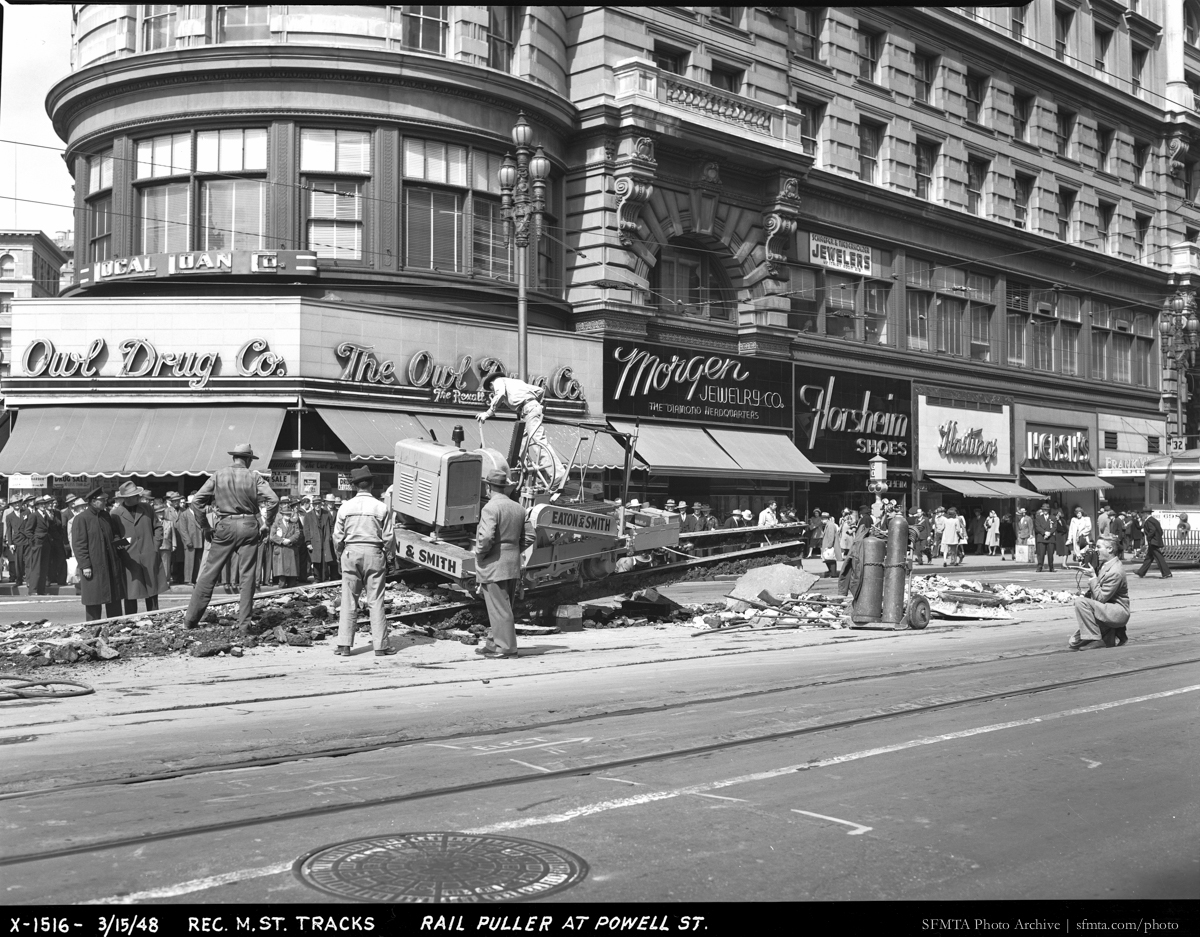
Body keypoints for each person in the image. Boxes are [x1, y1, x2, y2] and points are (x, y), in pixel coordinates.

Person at [181, 443, 280, 630]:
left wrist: (205, 526)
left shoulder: (219, 475)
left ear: (234, 457)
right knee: (248, 575)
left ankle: (190, 621)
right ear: (249, 459)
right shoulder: (254, 476)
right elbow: (273, 500)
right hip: (249, 525)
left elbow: (197, 501)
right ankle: (244, 624)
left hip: (224, 525)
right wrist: (267, 523)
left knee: (209, 574)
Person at [333, 466, 396, 657]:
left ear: (354, 486)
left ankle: (344, 645)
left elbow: (337, 536)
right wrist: (390, 558)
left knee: (348, 599)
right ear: (372, 484)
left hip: (351, 553)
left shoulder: (345, 507)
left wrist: (339, 556)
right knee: (375, 600)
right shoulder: (381, 507)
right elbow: (389, 537)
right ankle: (381, 646)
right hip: (374, 553)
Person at [476, 373, 566, 489]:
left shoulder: (498, 381)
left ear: (492, 384)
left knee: (538, 442)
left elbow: (500, 394)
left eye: (492, 390)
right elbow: (539, 390)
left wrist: (488, 413)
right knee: (520, 447)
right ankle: (519, 473)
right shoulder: (517, 382)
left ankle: (558, 476)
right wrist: (532, 403)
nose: (493, 392)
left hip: (528, 410)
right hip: (529, 410)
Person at [474, 468, 527, 659]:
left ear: (488, 487)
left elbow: (486, 537)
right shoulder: (518, 508)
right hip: (512, 563)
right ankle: (493, 643)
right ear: (504, 487)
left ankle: (506, 647)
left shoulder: (490, 508)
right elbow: (529, 536)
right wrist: (514, 550)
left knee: (499, 607)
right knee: (503, 606)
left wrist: (480, 553)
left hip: (494, 563)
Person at [109, 482, 165, 614]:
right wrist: (124, 547)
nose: (139, 497)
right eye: (135, 495)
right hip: (129, 557)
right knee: (131, 592)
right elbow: (115, 537)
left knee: (152, 590)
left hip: (148, 553)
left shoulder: (147, 509)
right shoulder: (115, 514)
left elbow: (157, 527)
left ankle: (154, 617)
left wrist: (155, 545)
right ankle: (130, 620)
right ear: (126, 498)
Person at [70, 487, 125, 621]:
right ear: (94, 501)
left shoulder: (106, 516)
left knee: (114, 598)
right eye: (103, 500)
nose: (106, 502)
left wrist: (121, 544)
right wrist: (85, 565)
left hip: (110, 563)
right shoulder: (81, 518)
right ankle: (93, 629)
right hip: (94, 566)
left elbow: (115, 535)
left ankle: (115, 626)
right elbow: (79, 545)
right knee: (94, 600)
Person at [1069, 537, 1130, 650]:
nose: (1095, 550)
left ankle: (1096, 639)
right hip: (1105, 609)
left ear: (1110, 549)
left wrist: (1093, 577)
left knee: (1080, 602)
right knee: (1074, 642)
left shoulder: (1115, 571)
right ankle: (1111, 632)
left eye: (1098, 547)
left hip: (1117, 611)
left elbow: (1100, 598)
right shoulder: (1104, 564)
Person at [838, 504, 874, 598]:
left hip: (859, 547)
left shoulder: (864, 519)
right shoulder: (869, 518)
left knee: (852, 570)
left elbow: (861, 533)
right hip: (863, 546)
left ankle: (853, 592)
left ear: (861, 513)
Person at [270, 500, 304, 587]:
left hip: (291, 549)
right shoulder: (276, 523)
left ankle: (291, 590)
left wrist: (289, 540)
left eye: (289, 514)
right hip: (281, 550)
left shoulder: (294, 523)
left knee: (292, 574)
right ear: (282, 514)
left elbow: (297, 534)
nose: (288, 516)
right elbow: (272, 536)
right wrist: (282, 541)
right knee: (282, 575)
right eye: (286, 514)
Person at [1135, 508, 1171, 579]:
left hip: (1153, 542)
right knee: (1149, 558)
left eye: (1142, 514)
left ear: (1146, 514)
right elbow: (1160, 531)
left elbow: (1152, 530)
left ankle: (1166, 573)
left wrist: (1149, 538)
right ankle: (1141, 572)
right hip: (1155, 541)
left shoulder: (1148, 521)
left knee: (1159, 558)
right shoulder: (1154, 520)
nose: (1142, 515)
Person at [176, 494, 204, 585]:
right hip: (190, 541)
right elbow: (183, 530)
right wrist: (188, 541)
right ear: (190, 504)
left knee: (198, 561)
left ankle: (196, 579)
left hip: (199, 540)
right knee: (189, 561)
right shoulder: (184, 514)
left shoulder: (200, 513)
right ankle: (188, 579)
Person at [1033, 503, 1055, 572]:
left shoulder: (1053, 517)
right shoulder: (1038, 518)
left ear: (1048, 510)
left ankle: (1051, 567)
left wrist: (1049, 533)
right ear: (1042, 510)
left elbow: (1054, 527)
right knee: (1041, 554)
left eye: (1046, 509)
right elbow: (1037, 527)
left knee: (1050, 554)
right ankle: (1039, 567)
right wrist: (1044, 532)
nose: (1045, 511)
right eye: (1044, 509)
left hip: (1050, 537)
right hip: (1042, 537)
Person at [820, 512, 839, 577]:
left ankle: (833, 573)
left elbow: (831, 536)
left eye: (822, 519)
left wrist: (829, 545)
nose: (821, 520)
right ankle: (831, 572)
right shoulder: (828, 525)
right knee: (828, 559)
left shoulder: (830, 525)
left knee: (830, 559)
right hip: (828, 544)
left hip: (829, 545)